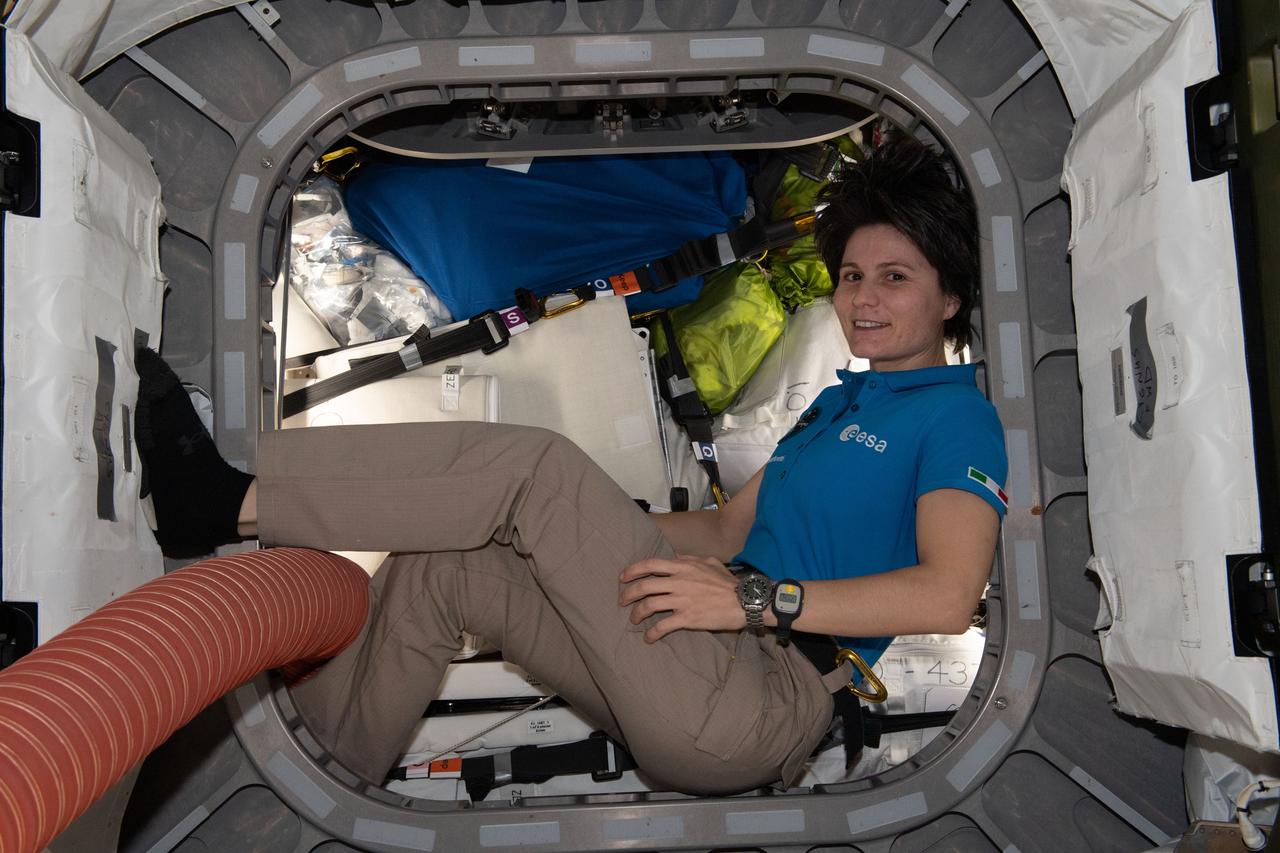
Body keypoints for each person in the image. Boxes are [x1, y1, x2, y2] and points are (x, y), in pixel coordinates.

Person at [136, 136, 1007, 795]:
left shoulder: (957, 415)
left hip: (759, 694)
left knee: (533, 468)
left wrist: (752, 598)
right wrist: (567, 531)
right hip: (699, 653)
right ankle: (319, 773)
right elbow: (723, 528)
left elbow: (946, 594)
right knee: (455, 567)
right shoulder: (836, 407)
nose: (863, 297)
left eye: (895, 276)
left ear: (952, 295)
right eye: (853, 275)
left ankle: (234, 500)